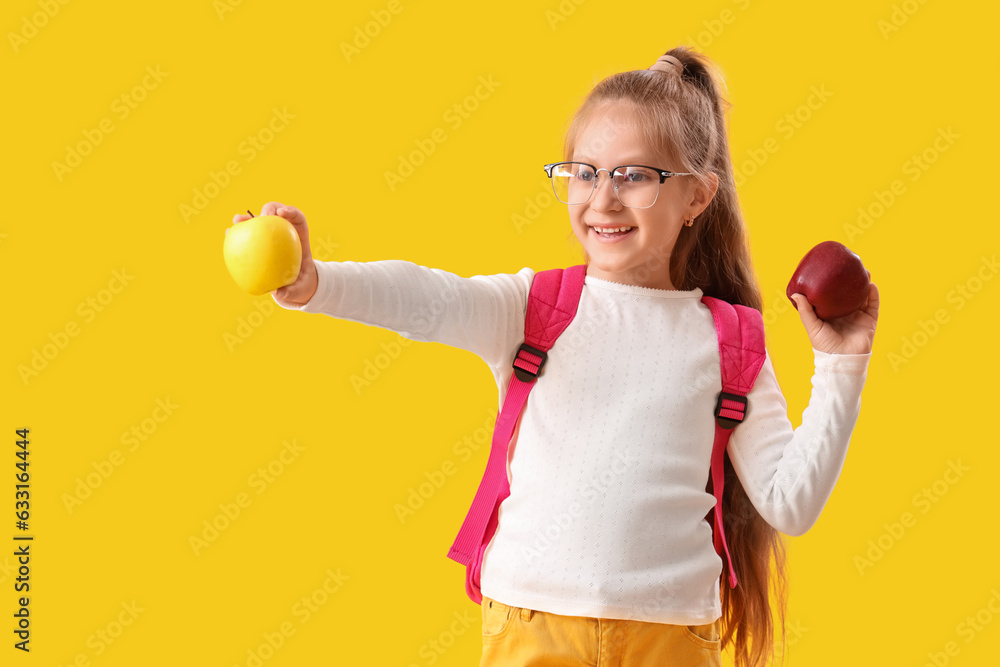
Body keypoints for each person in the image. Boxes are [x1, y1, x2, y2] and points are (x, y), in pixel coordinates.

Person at [229, 45, 879, 667]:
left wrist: (841, 365)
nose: (603, 199)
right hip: (530, 625)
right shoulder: (532, 309)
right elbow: (426, 298)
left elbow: (790, 502)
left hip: (672, 635)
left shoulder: (730, 340)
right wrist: (317, 281)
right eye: (585, 172)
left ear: (697, 198)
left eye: (634, 176)